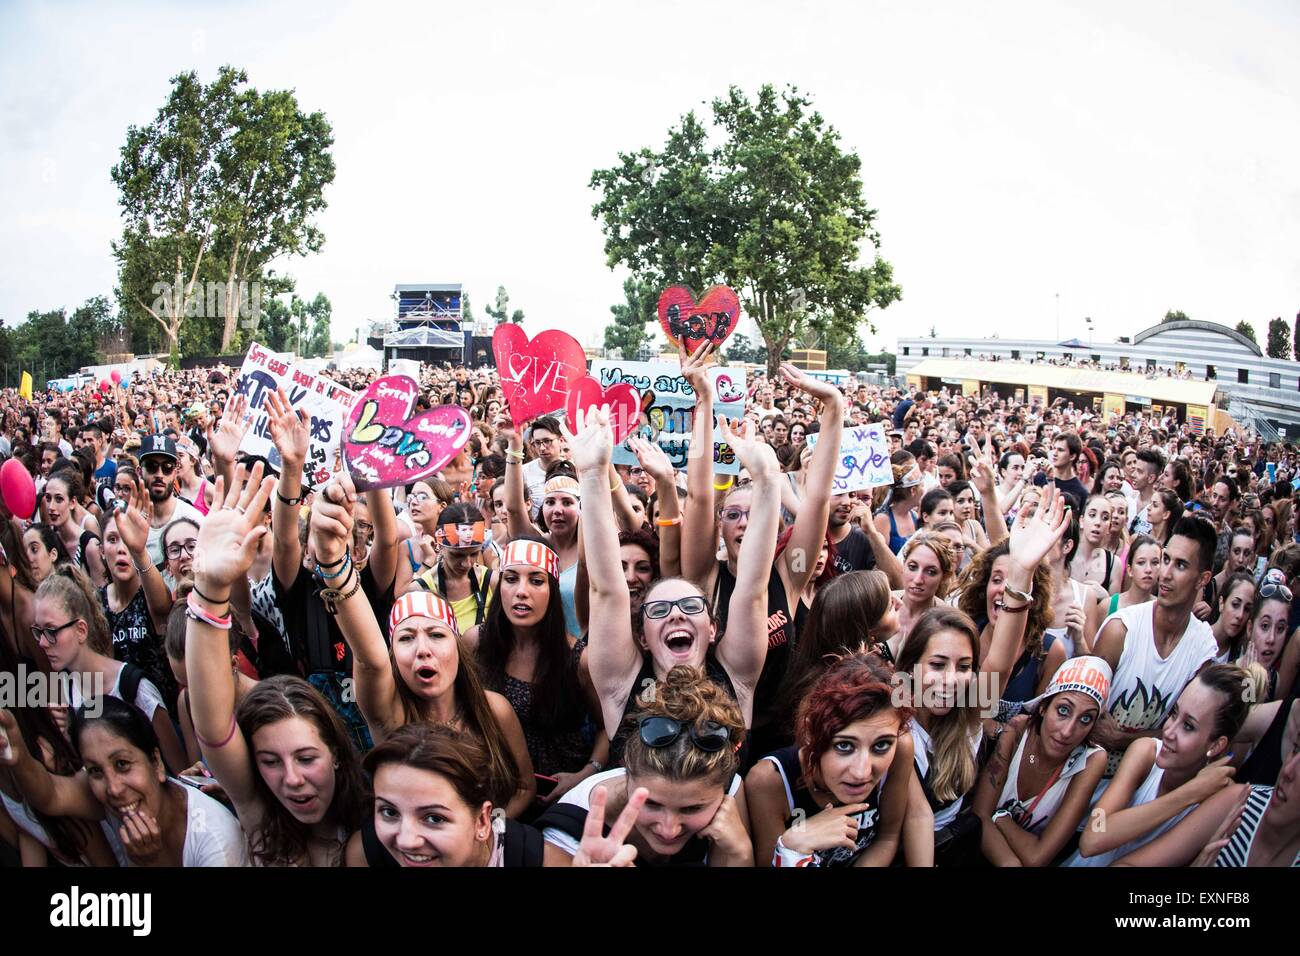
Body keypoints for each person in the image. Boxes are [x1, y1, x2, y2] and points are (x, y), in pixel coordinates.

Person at [308, 471, 536, 815]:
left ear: (458, 648)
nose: (423, 649)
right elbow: (368, 658)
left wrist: (487, 837)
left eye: (436, 634)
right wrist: (332, 562)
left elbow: (523, 786)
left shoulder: (494, 710)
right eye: (406, 638)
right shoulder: (392, 718)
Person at [184, 464, 368, 866]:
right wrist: (211, 589)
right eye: (270, 761)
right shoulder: (261, 813)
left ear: (336, 753)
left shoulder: (376, 823)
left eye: (306, 757)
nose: (292, 779)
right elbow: (213, 727)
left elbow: (373, 663)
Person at [580, 406, 778, 769]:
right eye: (658, 611)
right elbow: (606, 590)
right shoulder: (621, 685)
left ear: (714, 628)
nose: (675, 615)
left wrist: (767, 480)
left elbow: (753, 588)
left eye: (690, 607)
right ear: (642, 637)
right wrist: (591, 474)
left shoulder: (736, 676)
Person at [537, 665, 753, 867]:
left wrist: (740, 853)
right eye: (651, 804)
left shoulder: (730, 793)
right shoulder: (568, 833)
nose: (669, 830)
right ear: (627, 770)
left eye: (693, 808)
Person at [0, 698, 248, 867]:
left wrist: (151, 862)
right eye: (95, 770)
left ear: (156, 763)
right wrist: (17, 755)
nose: (114, 789)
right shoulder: (105, 795)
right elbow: (51, 796)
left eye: (122, 764)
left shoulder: (216, 841)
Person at [1068, 664, 1250, 866]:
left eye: (1188, 726)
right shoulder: (1146, 751)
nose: (1169, 731)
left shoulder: (1217, 801)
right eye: (1174, 713)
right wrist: (1189, 793)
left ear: (1216, 745)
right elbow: (1093, 836)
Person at [747, 650, 916, 866]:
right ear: (810, 732)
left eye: (881, 745)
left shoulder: (901, 748)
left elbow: (887, 838)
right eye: (844, 746)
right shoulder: (770, 781)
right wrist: (792, 846)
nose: (862, 772)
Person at [1093, 516, 1221, 777]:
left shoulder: (1202, 649)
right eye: (1166, 559)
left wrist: (1123, 739)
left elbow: (1187, 731)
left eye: (1181, 565)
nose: (1165, 573)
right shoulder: (1121, 630)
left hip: (1145, 784)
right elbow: (1085, 711)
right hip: (1085, 774)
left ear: (1203, 579)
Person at [972, 657, 1112, 866]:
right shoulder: (1017, 730)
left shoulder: (1092, 760)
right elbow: (979, 814)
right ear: (1044, 706)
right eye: (1063, 710)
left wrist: (1000, 817)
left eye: (1085, 719)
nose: (1067, 731)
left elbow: (1038, 857)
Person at [346, 724, 545, 868]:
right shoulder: (366, 854)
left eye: (434, 818)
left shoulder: (543, 861)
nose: (407, 841)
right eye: (389, 812)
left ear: (483, 821)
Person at [892, 607, 986, 861]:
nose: (951, 680)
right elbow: (918, 814)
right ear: (911, 667)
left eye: (963, 667)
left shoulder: (970, 715)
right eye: (937, 664)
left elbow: (1002, 663)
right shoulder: (894, 725)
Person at [99, 480, 178, 711]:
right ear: (102, 550)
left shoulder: (150, 593)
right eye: (113, 539)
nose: (122, 548)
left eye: (127, 538)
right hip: (120, 721)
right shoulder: (95, 603)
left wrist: (140, 551)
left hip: (163, 716)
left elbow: (163, 607)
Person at [887, 532, 956, 653]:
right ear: (904, 565)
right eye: (913, 567)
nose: (918, 580)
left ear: (944, 576)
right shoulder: (882, 604)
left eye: (931, 572)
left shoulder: (949, 622)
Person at [1210, 571, 1256, 664]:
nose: (1240, 615)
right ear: (1221, 603)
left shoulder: (1241, 655)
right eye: (1235, 605)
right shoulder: (1196, 636)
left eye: (1247, 609)